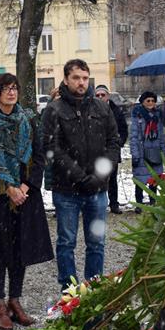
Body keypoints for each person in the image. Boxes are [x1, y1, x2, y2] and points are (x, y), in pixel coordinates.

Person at [0, 73, 53, 330]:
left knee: (20, 249)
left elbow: (39, 157)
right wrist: (8, 188)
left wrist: (26, 186)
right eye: (6, 88)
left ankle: (15, 301)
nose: (11, 92)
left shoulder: (28, 118)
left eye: (14, 88)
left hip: (26, 196)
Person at [43, 60, 120, 289]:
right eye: (76, 78)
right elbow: (52, 148)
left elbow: (114, 143)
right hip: (67, 190)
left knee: (97, 243)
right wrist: (79, 176)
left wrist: (100, 175)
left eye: (85, 78)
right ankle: (69, 291)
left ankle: (94, 288)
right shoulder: (54, 110)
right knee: (67, 242)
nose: (81, 83)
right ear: (66, 79)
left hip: (98, 188)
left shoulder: (102, 108)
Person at [130, 91, 165, 213]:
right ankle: (139, 204)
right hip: (141, 153)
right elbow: (134, 137)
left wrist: (163, 154)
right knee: (140, 181)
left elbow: (162, 136)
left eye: (153, 100)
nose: (151, 103)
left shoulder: (158, 116)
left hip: (155, 151)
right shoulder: (137, 115)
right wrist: (135, 154)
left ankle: (153, 202)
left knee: (154, 180)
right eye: (148, 101)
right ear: (143, 102)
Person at [93, 85, 128, 215]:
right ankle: (97, 205)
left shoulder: (116, 111)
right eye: (98, 95)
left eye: (103, 95)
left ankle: (114, 204)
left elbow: (123, 129)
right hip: (96, 150)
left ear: (108, 96)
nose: (101, 97)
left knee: (112, 179)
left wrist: (120, 142)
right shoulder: (90, 110)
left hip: (112, 150)